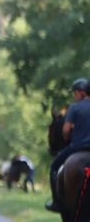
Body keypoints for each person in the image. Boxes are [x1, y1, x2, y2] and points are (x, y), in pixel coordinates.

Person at [46, 78, 90, 212]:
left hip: (77, 147)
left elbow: (65, 130)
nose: (74, 96)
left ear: (81, 93)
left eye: (75, 93)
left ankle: (56, 202)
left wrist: (68, 137)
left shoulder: (74, 107)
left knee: (54, 167)